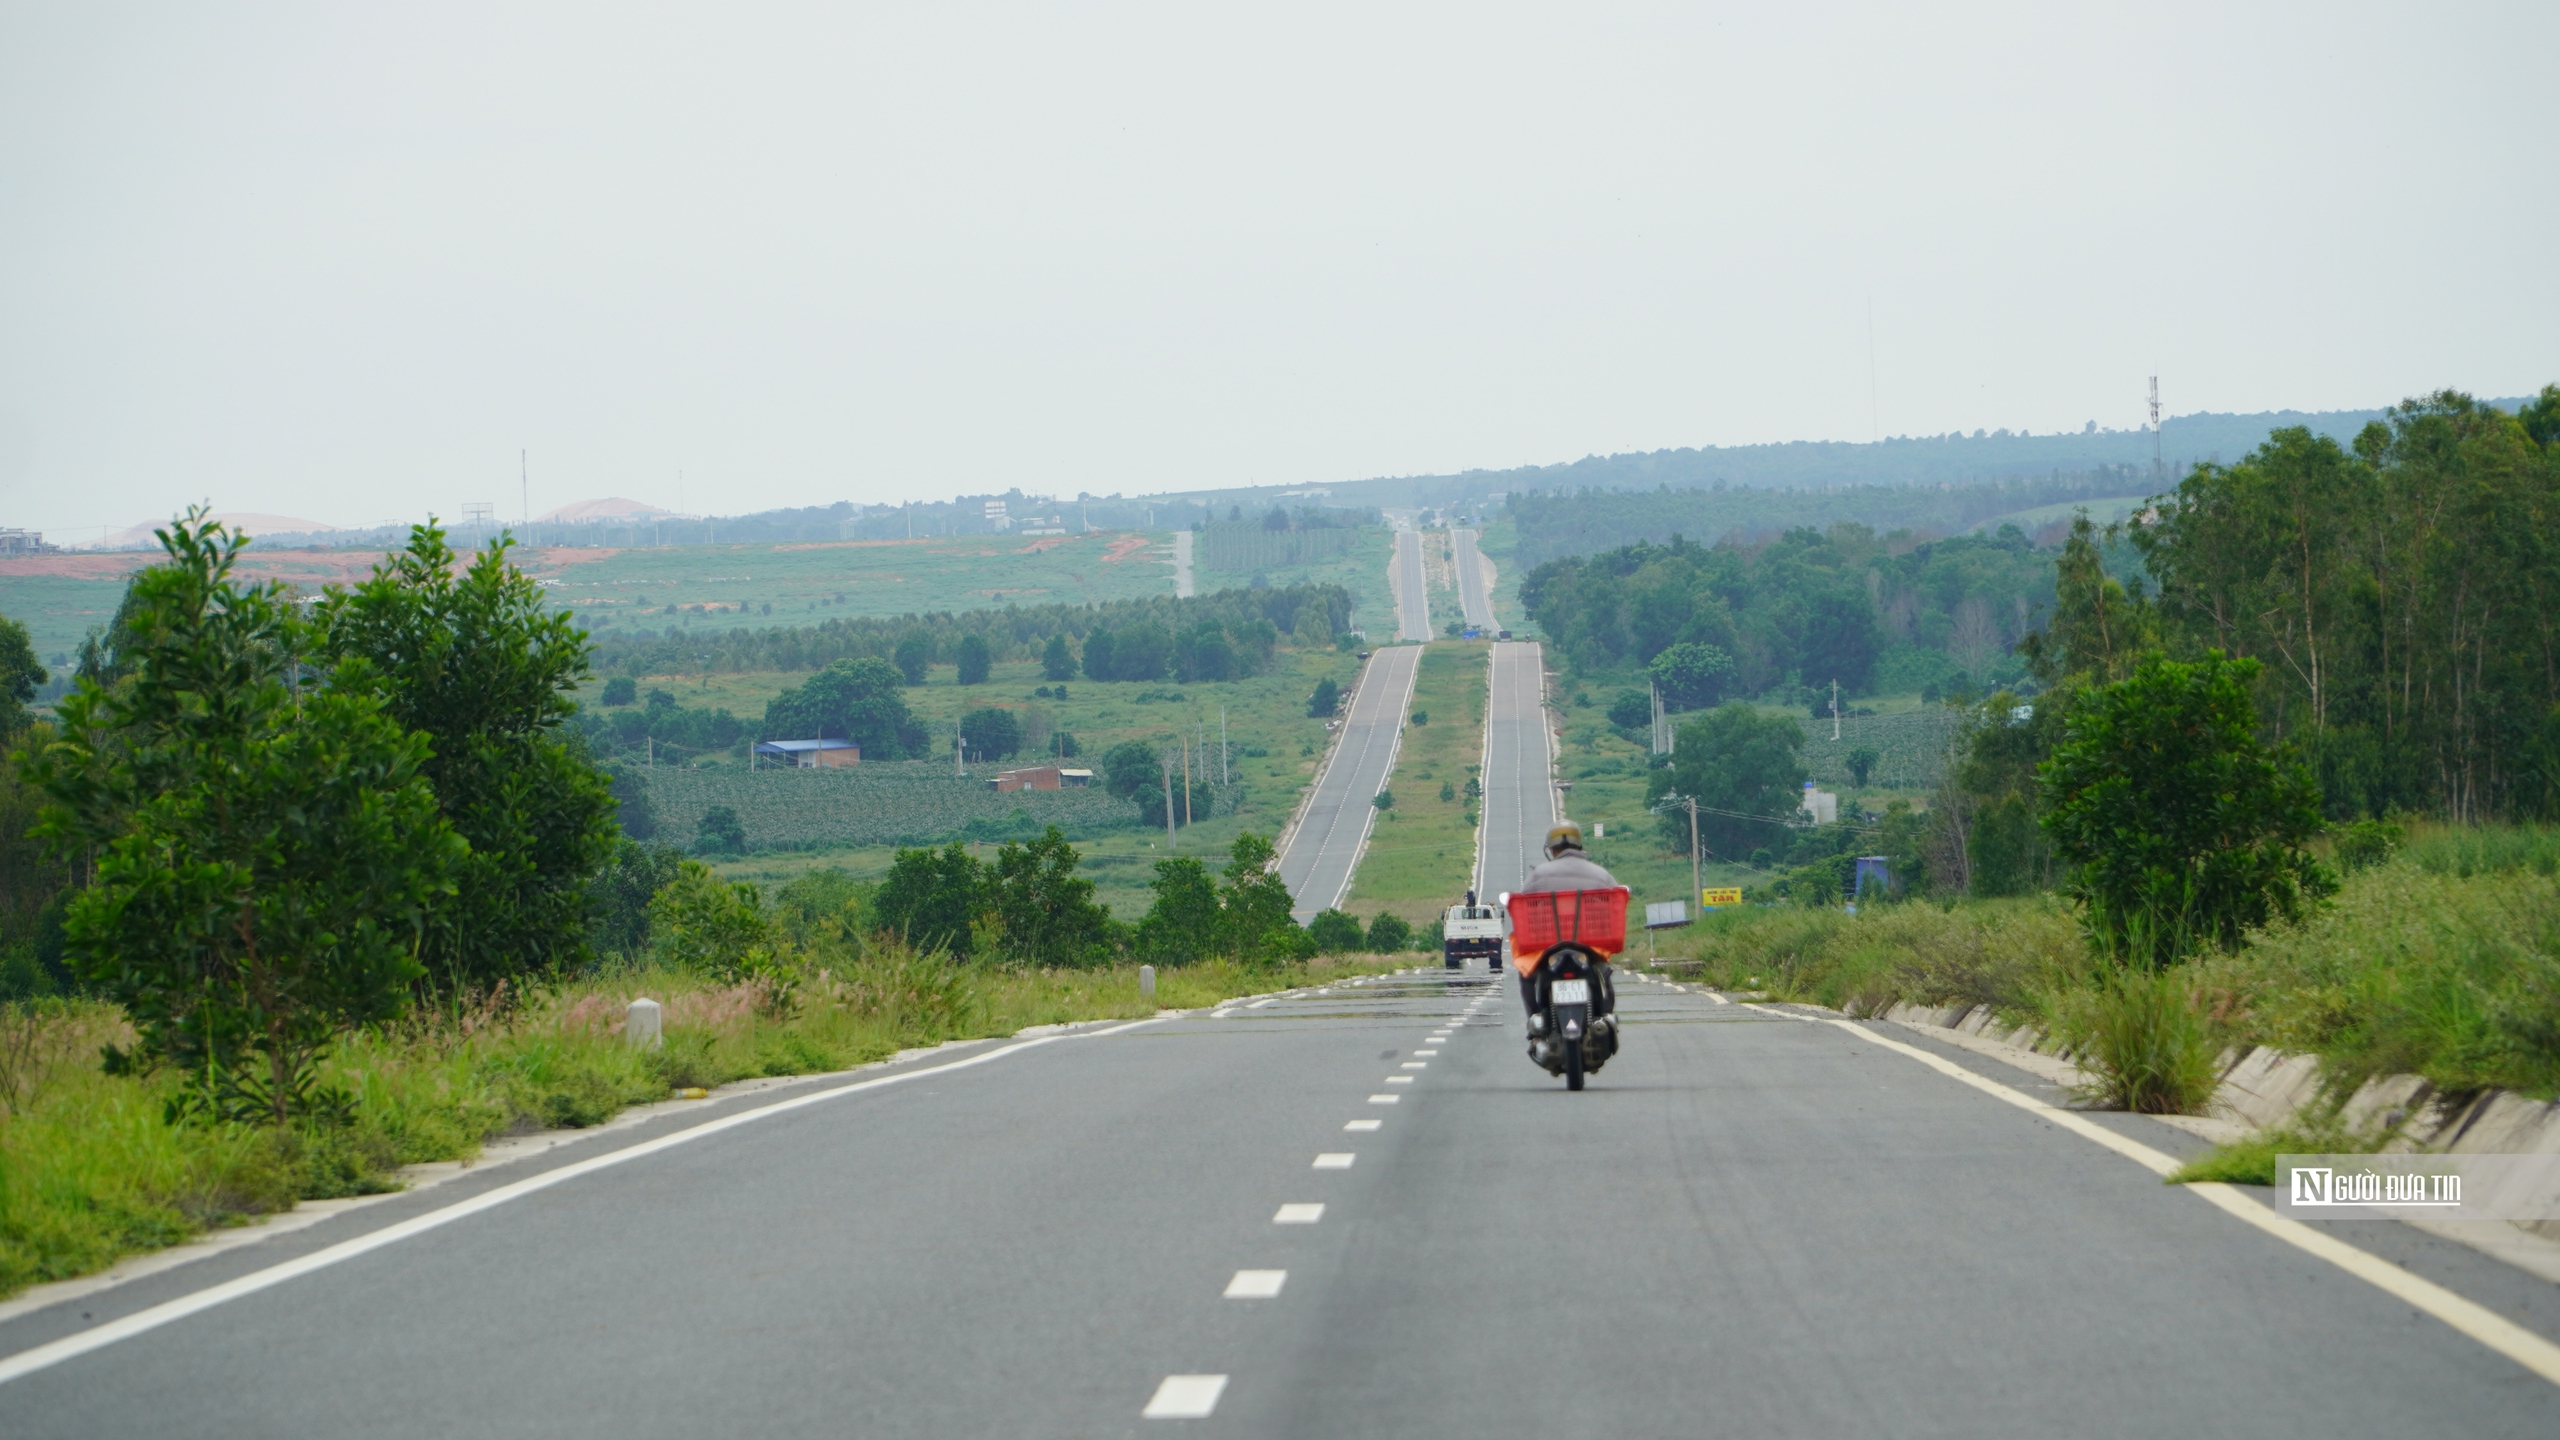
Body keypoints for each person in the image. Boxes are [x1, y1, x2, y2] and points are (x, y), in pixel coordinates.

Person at [1516, 822, 1617, 1037]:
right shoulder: (1600, 874)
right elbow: (1616, 899)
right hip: (1590, 943)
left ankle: (1535, 1028)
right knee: (1603, 972)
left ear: (1551, 849)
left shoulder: (1538, 875)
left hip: (1548, 945)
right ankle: (1606, 1019)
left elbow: (1523, 904)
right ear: (1579, 845)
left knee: (1527, 975)